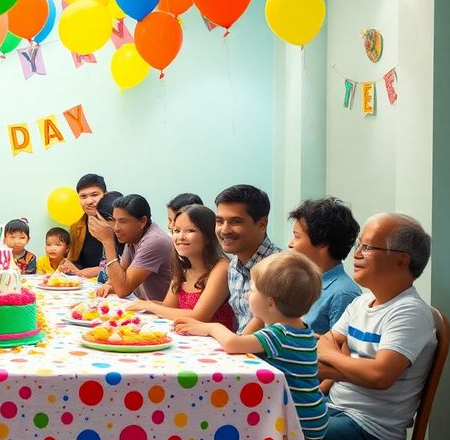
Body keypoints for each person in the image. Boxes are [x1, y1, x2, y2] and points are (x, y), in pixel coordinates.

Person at [174, 252, 327, 440]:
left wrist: (211, 327)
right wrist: (260, 316)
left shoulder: (279, 335)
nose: (247, 295)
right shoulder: (300, 329)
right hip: (313, 414)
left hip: (298, 419)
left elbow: (233, 344)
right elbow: (245, 341)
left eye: (253, 290)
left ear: (270, 302)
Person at [317, 213, 436, 440]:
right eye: (358, 245)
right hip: (335, 407)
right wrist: (347, 365)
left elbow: (380, 376)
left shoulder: (409, 311)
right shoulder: (361, 301)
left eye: (368, 247)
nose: (357, 254)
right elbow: (324, 343)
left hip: (369, 428)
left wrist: (335, 364)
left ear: (402, 260)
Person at [126, 205, 234, 330]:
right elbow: (168, 308)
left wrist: (150, 305)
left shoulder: (221, 268)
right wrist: (145, 305)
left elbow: (199, 316)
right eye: (176, 231)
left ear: (209, 236)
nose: (180, 237)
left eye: (190, 231)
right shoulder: (184, 269)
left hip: (216, 346)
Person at [287, 198, 362, 334]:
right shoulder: (303, 282)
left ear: (322, 243)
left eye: (297, 237)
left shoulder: (343, 294)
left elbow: (338, 349)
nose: (290, 244)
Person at [215, 184, 281, 333]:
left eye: (236, 221)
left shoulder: (281, 269)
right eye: (220, 221)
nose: (224, 230)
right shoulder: (233, 266)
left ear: (262, 224)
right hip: (242, 352)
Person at [90, 194, 171, 300]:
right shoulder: (133, 236)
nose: (116, 228)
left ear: (142, 221)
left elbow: (122, 290)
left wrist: (108, 242)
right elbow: (121, 273)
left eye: (122, 221)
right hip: (146, 307)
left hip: (165, 313)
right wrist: (108, 285)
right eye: (114, 221)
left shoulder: (154, 241)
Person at [69, 174, 108, 275]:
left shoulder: (117, 224)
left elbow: (129, 262)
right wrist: (70, 267)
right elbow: (76, 262)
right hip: (85, 285)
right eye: (83, 197)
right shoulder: (76, 227)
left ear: (105, 195)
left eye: (94, 195)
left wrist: (99, 270)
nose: (89, 201)